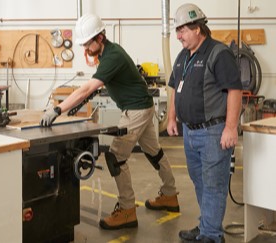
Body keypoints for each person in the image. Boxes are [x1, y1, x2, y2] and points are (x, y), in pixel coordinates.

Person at [40, 13, 179, 230]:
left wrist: (57, 109)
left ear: (100, 38)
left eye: (87, 44)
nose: (85, 49)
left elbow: (87, 87)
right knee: (155, 152)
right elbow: (100, 85)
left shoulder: (112, 56)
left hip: (136, 111)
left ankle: (126, 210)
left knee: (115, 156)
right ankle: (170, 194)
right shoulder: (107, 54)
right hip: (141, 107)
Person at [167, 3, 243, 243]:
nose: (178, 36)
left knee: (214, 184)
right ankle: (207, 226)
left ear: (198, 28)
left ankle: (211, 235)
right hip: (190, 131)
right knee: (200, 181)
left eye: (182, 30)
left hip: (213, 131)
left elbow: (235, 90)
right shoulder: (183, 55)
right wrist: (171, 117)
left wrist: (231, 127)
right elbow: (173, 87)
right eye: (177, 31)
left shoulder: (218, 53)